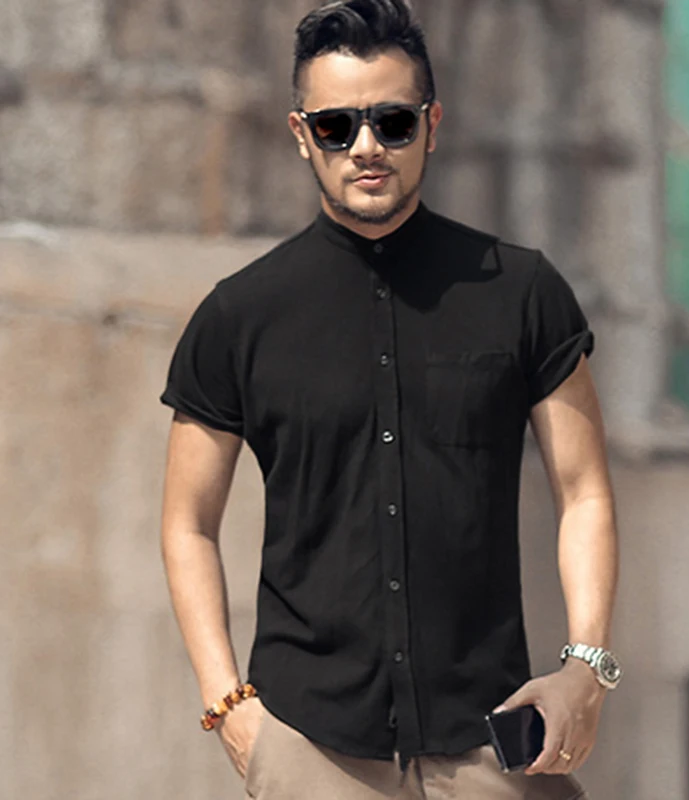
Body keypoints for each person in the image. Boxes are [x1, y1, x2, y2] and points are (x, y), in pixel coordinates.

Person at [159, 1, 620, 798]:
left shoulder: (522, 292)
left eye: (393, 121)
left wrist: (587, 666)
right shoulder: (239, 316)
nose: (366, 147)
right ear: (301, 134)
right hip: (309, 746)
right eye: (336, 127)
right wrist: (228, 706)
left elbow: (584, 492)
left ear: (431, 125)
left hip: (492, 740)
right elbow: (187, 522)